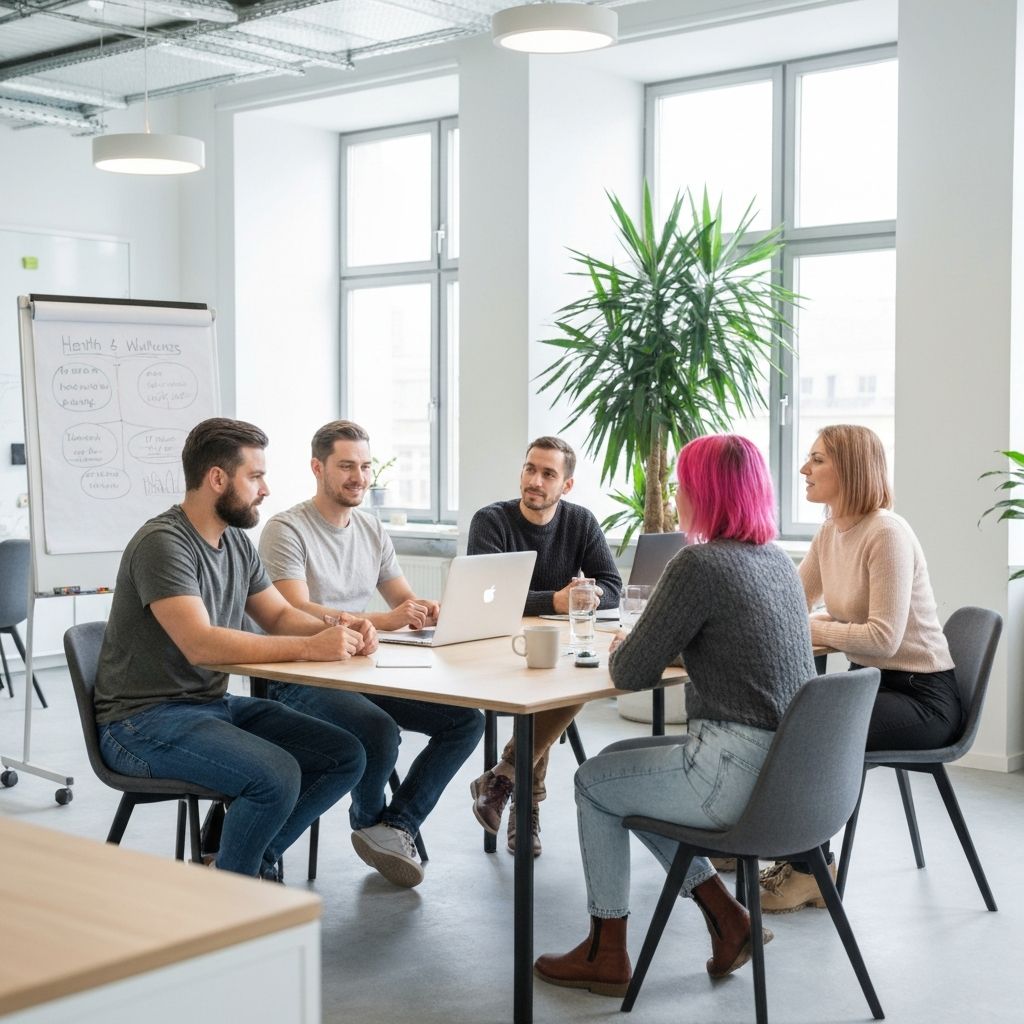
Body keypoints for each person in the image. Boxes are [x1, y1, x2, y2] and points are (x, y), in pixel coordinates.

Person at [534, 434, 815, 997]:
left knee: (594, 784)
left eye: (682, 485)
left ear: (704, 492)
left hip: (731, 773)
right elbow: (741, 649)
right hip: (790, 776)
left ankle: (606, 953)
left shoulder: (699, 564)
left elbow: (631, 672)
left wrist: (633, 647)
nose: (676, 495)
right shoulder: (777, 562)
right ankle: (727, 918)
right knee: (618, 765)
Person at [94, 418, 373, 880]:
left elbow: (279, 616)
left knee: (345, 754)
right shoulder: (162, 544)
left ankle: (236, 865)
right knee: (275, 776)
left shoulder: (236, 543)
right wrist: (310, 648)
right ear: (217, 479)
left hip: (209, 706)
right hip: (139, 722)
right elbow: (200, 644)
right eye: (256, 476)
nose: (265, 489)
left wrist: (341, 628)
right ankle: (235, 888)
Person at [258, 420, 484, 888]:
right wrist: (384, 620)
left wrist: (427, 609)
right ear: (317, 467)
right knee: (378, 729)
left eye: (364, 466)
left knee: (466, 721)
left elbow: (403, 599)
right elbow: (291, 610)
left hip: (362, 670)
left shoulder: (371, 527)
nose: (358, 477)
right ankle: (368, 822)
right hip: (298, 674)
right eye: (346, 466)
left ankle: (395, 825)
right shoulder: (286, 529)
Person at [759, 423, 962, 913]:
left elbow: (883, 637)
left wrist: (821, 627)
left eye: (817, 460)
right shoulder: (831, 531)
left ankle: (810, 871)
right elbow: (792, 605)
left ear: (850, 468)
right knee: (775, 715)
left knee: (810, 732)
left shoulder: (886, 534)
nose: (803, 469)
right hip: (869, 684)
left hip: (921, 697)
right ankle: (757, 840)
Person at [466, 435, 622, 856]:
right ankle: (525, 805)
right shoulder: (491, 521)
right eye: (530, 469)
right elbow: (485, 595)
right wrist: (554, 600)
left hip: (553, 647)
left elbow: (612, 585)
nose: (535, 480)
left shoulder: (580, 521)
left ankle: (504, 778)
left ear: (566, 485)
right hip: (496, 647)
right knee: (550, 679)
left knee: (571, 672)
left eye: (548, 474)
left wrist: (587, 594)